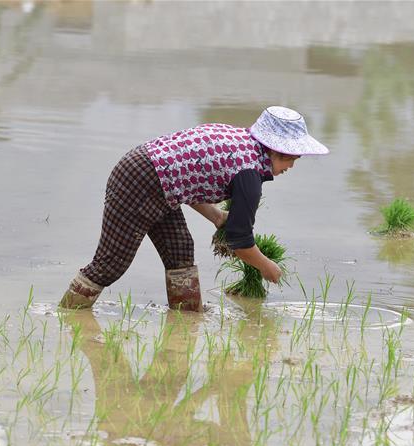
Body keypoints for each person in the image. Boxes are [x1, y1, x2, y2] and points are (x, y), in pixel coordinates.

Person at [59, 106, 329, 311]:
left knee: (180, 252)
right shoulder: (249, 174)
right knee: (111, 263)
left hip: (153, 177)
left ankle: (186, 320)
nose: (291, 167)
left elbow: (187, 177)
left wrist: (216, 216)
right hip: (141, 181)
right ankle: (67, 315)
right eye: (290, 160)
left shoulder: (240, 141)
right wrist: (266, 266)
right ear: (274, 150)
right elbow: (240, 241)